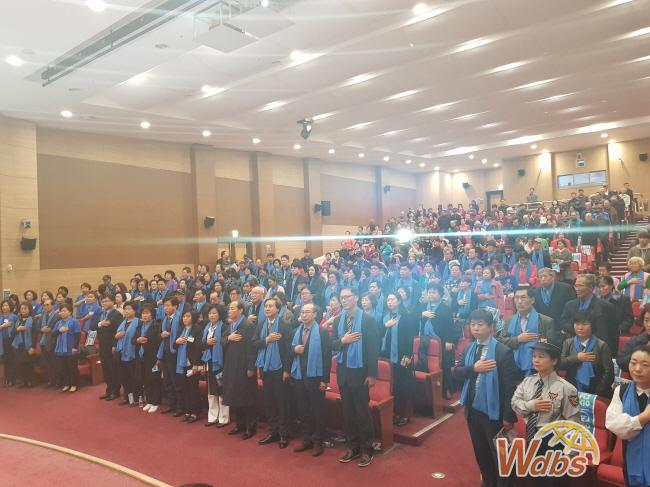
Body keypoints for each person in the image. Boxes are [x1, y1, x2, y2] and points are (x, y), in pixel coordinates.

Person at [454, 309, 519, 487]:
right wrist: (473, 369)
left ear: (491, 327)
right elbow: (457, 373)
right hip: (473, 410)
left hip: (494, 412)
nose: (475, 328)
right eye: (472, 324)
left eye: (480, 324)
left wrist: (508, 416)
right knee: (481, 452)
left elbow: (509, 387)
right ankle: (489, 482)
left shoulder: (503, 352)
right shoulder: (468, 348)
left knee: (500, 454)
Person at [511, 341, 581, 487]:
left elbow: (574, 424)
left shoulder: (567, 388)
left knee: (552, 482)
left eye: (541, 356)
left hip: (554, 442)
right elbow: (514, 403)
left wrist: (569, 454)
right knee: (532, 480)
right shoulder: (528, 381)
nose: (536, 360)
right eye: (534, 356)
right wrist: (531, 406)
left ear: (554, 361)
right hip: (531, 438)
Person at [332, 286, 379, 468]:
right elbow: (333, 345)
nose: (344, 300)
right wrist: (342, 341)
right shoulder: (338, 320)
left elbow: (373, 349)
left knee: (362, 413)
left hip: (360, 372)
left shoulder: (367, 320)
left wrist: (372, 374)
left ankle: (367, 449)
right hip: (343, 372)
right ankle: (353, 447)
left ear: (356, 298)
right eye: (341, 297)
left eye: (347, 297)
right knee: (348, 413)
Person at [291, 303, 332, 457]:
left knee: (317, 410)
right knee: (303, 410)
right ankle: (307, 439)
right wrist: (294, 350)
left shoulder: (322, 332)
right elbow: (288, 351)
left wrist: (324, 380)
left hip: (315, 377)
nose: (304, 315)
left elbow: (327, 357)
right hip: (299, 376)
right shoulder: (296, 331)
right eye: (302, 312)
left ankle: (318, 441)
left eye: (307, 312)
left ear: (315, 314)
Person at [605, 344, 650, 487]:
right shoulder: (621, 390)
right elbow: (615, 426)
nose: (637, 369)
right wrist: (644, 418)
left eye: (645, 365)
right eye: (633, 362)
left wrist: (632, 422)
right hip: (631, 463)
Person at [253, 297, 292, 448]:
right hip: (265, 368)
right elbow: (254, 343)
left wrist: (287, 370)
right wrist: (267, 340)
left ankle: (283, 433)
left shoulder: (284, 325)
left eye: (270, 306)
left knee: (282, 402)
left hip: (280, 368)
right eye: (266, 306)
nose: (267, 308)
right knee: (269, 401)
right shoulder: (261, 324)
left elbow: (288, 349)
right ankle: (272, 431)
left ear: (277, 309)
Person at [497, 286, 558, 376]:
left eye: (523, 297)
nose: (519, 301)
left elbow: (551, 343)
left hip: (537, 366)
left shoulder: (546, 321)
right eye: (516, 298)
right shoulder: (508, 321)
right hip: (512, 365)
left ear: (532, 300)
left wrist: (537, 341)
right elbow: (501, 341)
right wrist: (518, 339)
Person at [222, 300, 258, 440]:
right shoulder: (231, 325)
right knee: (235, 395)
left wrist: (251, 367)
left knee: (247, 396)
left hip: (244, 366)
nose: (229, 311)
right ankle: (240, 424)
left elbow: (252, 348)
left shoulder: (248, 325)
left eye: (232, 308)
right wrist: (228, 338)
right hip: (231, 365)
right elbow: (222, 341)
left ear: (241, 310)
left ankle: (251, 426)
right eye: (229, 308)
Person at [381, 292, 417, 426]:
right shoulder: (386, 316)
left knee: (403, 385)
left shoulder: (406, 317)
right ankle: (394, 413)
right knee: (393, 387)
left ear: (399, 301)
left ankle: (405, 414)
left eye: (392, 299)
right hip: (387, 356)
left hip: (402, 356)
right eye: (388, 300)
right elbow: (381, 334)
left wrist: (408, 355)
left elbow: (410, 337)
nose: (389, 302)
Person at [559, 311, 614, 398]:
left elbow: (608, 373)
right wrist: (577, 358)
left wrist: (597, 393)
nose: (580, 328)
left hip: (597, 393)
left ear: (592, 325)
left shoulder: (602, 345)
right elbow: (560, 364)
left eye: (584, 324)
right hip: (572, 391)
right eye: (577, 324)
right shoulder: (568, 343)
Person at [560, 274, 619, 355]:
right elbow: (563, 323)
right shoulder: (570, 305)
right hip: (575, 350)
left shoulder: (606, 306)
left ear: (591, 287)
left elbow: (613, 333)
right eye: (576, 286)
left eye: (580, 286)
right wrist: (579, 330)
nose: (577, 289)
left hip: (598, 351)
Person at [420, 283, 458, 399]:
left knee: (444, 364)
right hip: (425, 340)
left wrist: (449, 340)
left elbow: (450, 326)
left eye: (434, 292)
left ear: (440, 294)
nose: (431, 294)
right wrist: (421, 315)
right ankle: (427, 389)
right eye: (429, 292)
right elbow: (414, 320)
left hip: (441, 340)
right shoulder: (423, 307)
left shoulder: (445, 308)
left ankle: (447, 389)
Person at [201, 304, 229, 427]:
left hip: (220, 362)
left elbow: (226, 345)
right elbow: (202, 345)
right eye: (210, 313)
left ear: (220, 314)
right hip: (209, 361)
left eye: (214, 313)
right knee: (211, 390)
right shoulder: (207, 327)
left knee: (221, 390)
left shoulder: (224, 327)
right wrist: (206, 343)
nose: (211, 315)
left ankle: (224, 418)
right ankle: (212, 416)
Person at [174, 309, 203, 423]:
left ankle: (195, 412)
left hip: (191, 363)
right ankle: (187, 411)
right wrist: (177, 342)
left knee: (193, 388)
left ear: (193, 318)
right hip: (181, 363)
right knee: (185, 388)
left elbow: (197, 348)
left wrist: (196, 364)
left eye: (188, 316)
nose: (185, 318)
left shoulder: (197, 329)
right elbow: (174, 346)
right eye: (184, 316)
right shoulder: (181, 329)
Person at [133, 305, 162, 413]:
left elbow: (159, 342)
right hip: (141, 357)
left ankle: (156, 402)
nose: (145, 315)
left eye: (147, 313)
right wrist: (137, 340)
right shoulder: (139, 327)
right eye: (143, 313)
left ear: (152, 315)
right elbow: (132, 340)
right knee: (145, 379)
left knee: (154, 379)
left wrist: (159, 357)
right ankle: (149, 401)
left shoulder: (157, 326)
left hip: (153, 357)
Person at [157, 296, 183, 414]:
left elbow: (181, 334)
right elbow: (159, 335)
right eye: (164, 306)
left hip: (175, 353)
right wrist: (161, 334)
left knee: (176, 381)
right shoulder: (165, 319)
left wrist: (171, 334)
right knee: (167, 381)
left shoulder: (180, 318)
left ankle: (180, 406)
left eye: (168, 305)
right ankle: (171, 404)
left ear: (175, 306)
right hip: (165, 352)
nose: (165, 308)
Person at [97, 295, 124, 401]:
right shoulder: (102, 314)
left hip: (111, 345)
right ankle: (108, 390)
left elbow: (118, 331)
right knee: (106, 369)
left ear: (113, 302)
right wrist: (100, 324)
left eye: (106, 301)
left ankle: (115, 391)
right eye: (102, 301)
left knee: (113, 369)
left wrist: (115, 345)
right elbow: (95, 326)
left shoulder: (116, 314)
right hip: (103, 345)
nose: (104, 303)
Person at [52, 304, 81, 392]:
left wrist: (75, 347)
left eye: (65, 311)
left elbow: (78, 335)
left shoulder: (74, 321)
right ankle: (66, 384)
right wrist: (59, 330)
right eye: (61, 311)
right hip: (60, 349)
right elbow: (53, 334)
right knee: (63, 368)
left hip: (71, 348)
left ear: (70, 312)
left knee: (72, 367)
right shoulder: (58, 323)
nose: (62, 313)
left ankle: (74, 384)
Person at [114, 302, 139, 405]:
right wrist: (117, 336)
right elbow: (117, 335)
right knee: (124, 376)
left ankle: (136, 397)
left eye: (129, 309)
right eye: (125, 309)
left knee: (133, 376)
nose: (126, 311)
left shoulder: (138, 322)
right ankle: (127, 396)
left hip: (132, 352)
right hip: (121, 351)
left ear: (134, 311)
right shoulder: (123, 322)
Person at [617, 307, 650, 373]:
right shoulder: (635, 340)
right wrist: (640, 350)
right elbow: (621, 363)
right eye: (646, 320)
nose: (649, 324)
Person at [11, 302, 35, 388]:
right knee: (20, 364)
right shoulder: (18, 320)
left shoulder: (32, 319)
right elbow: (12, 333)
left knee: (29, 364)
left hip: (28, 345)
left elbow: (34, 334)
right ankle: (23, 381)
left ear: (29, 310)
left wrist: (33, 347)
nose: (23, 310)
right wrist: (18, 329)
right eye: (21, 309)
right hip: (18, 345)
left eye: (25, 308)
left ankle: (30, 381)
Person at [39, 299, 60, 388]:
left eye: (47, 305)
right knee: (47, 363)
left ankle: (58, 381)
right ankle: (51, 380)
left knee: (55, 363)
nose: (45, 307)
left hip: (53, 341)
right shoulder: (42, 316)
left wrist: (50, 330)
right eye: (44, 305)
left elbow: (58, 328)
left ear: (53, 306)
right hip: (44, 341)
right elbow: (38, 327)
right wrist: (41, 329)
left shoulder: (57, 316)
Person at [0, 300, 18, 386]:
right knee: (5, 361)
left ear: (10, 307)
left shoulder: (14, 317)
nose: (4, 307)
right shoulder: (0, 317)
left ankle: (12, 379)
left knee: (12, 360)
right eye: (3, 306)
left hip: (12, 341)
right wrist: (2, 326)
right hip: (2, 341)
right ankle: (7, 378)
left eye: (6, 305)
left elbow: (17, 328)